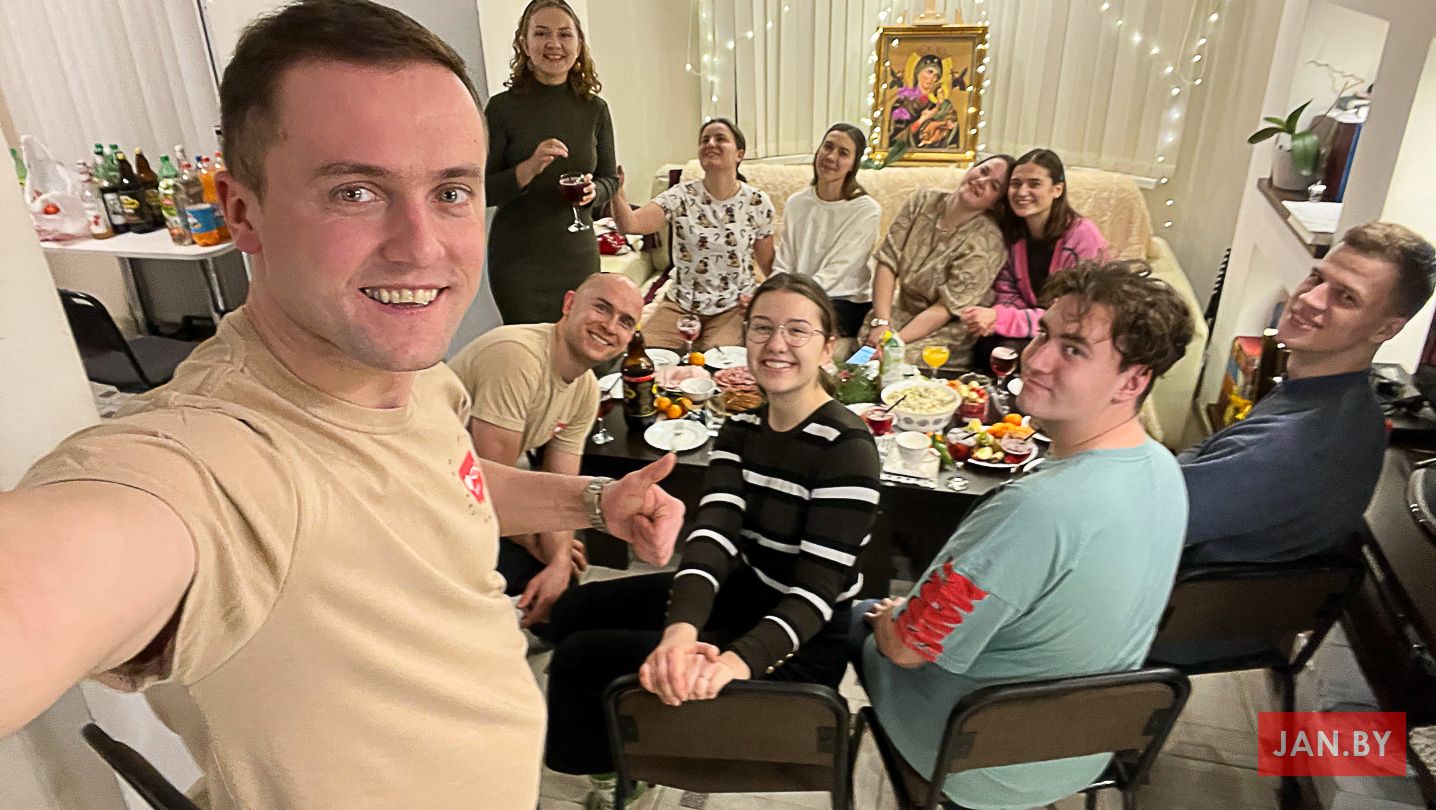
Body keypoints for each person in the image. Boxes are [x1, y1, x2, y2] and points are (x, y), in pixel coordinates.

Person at [0, 4, 684, 809]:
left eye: (451, 191)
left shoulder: (417, 378)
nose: (421, 246)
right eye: (355, 191)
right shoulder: (219, 461)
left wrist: (596, 501)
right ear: (241, 210)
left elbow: (445, 485)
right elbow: (75, 559)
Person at [858, 262, 1194, 810]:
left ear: (1133, 381)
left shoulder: (1035, 510)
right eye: (1043, 333)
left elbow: (906, 648)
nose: (1035, 359)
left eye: (1074, 349)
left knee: (853, 613)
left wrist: (893, 617)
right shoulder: (1163, 466)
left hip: (975, 760)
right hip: (1084, 747)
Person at [543, 273, 881, 807]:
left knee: (581, 658)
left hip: (804, 639)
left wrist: (730, 664)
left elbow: (815, 594)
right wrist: (680, 634)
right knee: (572, 611)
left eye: (797, 330)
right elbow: (713, 538)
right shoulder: (740, 430)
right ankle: (621, 743)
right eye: (762, 328)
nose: (776, 344)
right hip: (747, 592)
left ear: (827, 347)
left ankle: (616, 779)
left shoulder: (848, 449)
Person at [1179, 221, 1436, 564]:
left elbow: (1135, 520)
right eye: (1317, 278)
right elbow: (1209, 452)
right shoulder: (1349, 403)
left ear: (1385, 329)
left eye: (1346, 297)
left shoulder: (1283, 447)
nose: (1308, 298)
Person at [448, 273, 644, 626]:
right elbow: (491, 493)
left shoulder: (586, 389)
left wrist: (558, 560)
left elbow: (560, 483)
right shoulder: (518, 356)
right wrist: (536, 542)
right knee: (534, 571)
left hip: (475, 495)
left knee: (565, 576)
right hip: (435, 498)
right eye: (602, 308)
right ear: (569, 304)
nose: (610, 326)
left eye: (625, 322)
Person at [485, 0, 618, 324]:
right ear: (524, 43)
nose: (554, 44)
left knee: (580, 343)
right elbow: (482, 191)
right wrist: (528, 168)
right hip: (519, 262)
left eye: (564, 34)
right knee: (529, 348)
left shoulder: (595, 109)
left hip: (577, 254)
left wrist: (595, 193)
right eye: (541, 33)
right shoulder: (502, 108)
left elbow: (610, 179)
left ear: (579, 44)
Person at [610, 118, 776, 352]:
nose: (711, 144)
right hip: (681, 304)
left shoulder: (757, 202)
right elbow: (631, 225)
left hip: (732, 307)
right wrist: (616, 192)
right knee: (644, 357)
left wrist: (767, 303)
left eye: (720, 139)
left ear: (739, 154)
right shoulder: (680, 195)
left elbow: (768, 264)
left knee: (718, 364)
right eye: (704, 140)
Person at [862, 155, 1013, 371]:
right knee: (866, 351)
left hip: (944, 327)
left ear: (996, 203)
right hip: (901, 311)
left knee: (892, 362)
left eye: (994, 186)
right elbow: (887, 262)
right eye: (983, 171)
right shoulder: (922, 200)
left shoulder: (988, 242)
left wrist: (893, 343)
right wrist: (882, 323)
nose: (981, 181)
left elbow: (944, 308)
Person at [960, 148, 1108, 358]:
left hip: (1078, 330)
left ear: (1057, 190)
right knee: (987, 347)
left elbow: (1078, 310)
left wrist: (1000, 319)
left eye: (1034, 184)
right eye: (1016, 184)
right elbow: (1006, 289)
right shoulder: (1012, 232)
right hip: (1036, 324)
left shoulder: (1083, 236)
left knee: (1013, 353)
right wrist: (999, 318)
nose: (1022, 192)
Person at [773, 123, 883, 337]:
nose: (831, 157)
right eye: (828, 147)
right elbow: (784, 260)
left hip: (845, 301)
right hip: (799, 295)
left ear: (853, 165)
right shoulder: (796, 202)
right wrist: (771, 292)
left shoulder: (866, 210)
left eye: (843, 153)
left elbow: (839, 269)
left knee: (795, 326)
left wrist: (795, 297)